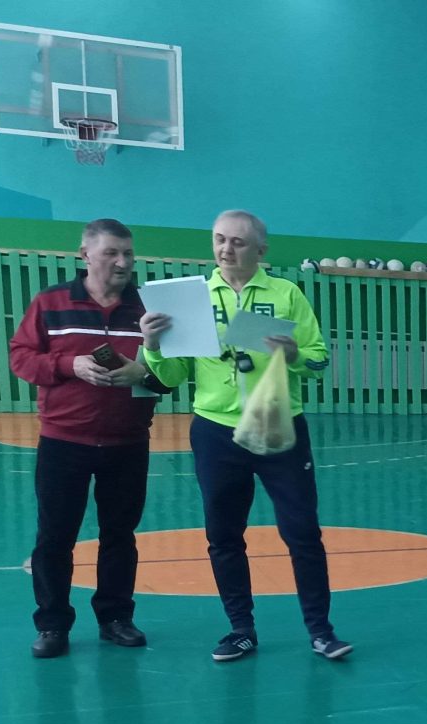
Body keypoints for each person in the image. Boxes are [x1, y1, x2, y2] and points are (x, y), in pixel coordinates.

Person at [140, 210, 351, 663]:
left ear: (261, 250)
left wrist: (293, 354)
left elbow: (319, 359)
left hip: (279, 426)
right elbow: (172, 376)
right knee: (224, 534)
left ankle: (321, 631)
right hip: (215, 431)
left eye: (237, 242)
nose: (226, 249)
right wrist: (152, 346)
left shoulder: (286, 293)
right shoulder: (192, 298)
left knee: (302, 531)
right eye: (219, 239)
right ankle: (240, 630)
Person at [9, 218, 167, 658]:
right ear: (85, 255)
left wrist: (146, 371)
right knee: (54, 537)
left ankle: (116, 618)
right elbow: (21, 357)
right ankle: (52, 624)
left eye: (128, 253)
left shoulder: (150, 309)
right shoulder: (50, 302)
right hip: (64, 442)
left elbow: (172, 375)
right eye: (111, 253)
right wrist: (69, 365)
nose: (122, 262)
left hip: (128, 442)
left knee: (120, 535)